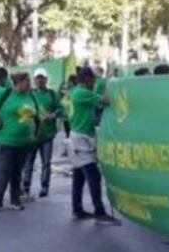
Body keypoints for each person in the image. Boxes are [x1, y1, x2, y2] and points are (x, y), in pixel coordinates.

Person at [69, 68, 119, 224]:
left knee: (79, 176)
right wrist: (110, 83)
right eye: (93, 80)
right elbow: (105, 100)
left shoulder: (79, 91)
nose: (95, 82)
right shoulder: (81, 93)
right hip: (81, 138)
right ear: (86, 79)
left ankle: (77, 209)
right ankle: (99, 211)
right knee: (93, 175)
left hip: (81, 136)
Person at [0, 73, 38, 213]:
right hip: (5, 141)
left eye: (29, 81)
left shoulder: (31, 96)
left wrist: (35, 135)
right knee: (4, 171)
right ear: (18, 82)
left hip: (24, 142)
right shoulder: (5, 94)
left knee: (17, 172)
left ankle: (15, 200)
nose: (29, 83)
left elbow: (37, 115)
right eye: (26, 81)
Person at [23, 69, 62, 198]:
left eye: (42, 78)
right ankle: (26, 186)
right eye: (37, 78)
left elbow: (61, 110)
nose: (40, 80)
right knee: (28, 162)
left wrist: (52, 115)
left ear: (46, 80)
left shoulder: (52, 94)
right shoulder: (30, 94)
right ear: (34, 80)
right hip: (32, 136)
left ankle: (44, 187)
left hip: (47, 135)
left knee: (46, 163)